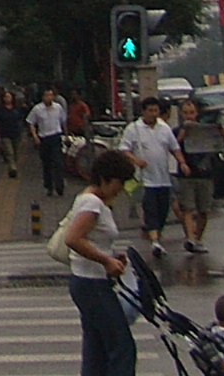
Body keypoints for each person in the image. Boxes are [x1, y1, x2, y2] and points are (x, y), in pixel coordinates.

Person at [63, 149, 137, 376]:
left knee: (96, 348)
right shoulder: (92, 204)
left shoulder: (90, 200)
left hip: (88, 283)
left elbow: (92, 239)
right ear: (105, 179)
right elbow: (73, 239)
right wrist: (106, 261)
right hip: (92, 284)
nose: (122, 189)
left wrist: (111, 257)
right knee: (122, 347)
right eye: (119, 182)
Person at [119, 97, 183, 257]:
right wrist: (136, 160)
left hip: (163, 178)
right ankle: (155, 242)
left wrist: (182, 163)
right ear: (144, 111)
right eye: (151, 111)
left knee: (163, 211)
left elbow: (174, 147)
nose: (154, 114)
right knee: (151, 210)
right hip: (145, 180)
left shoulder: (164, 128)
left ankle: (154, 234)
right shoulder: (134, 129)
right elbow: (124, 149)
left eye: (156, 111)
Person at [172, 99, 223, 254]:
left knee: (204, 209)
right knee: (187, 208)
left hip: (205, 173)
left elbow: (219, 143)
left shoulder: (204, 129)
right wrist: (183, 135)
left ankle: (198, 238)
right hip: (187, 175)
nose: (189, 116)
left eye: (192, 113)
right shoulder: (177, 130)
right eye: (186, 113)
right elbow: (174, 146)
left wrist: (220, 132)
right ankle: (190, 239)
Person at [30, 86, 70, 197]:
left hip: (56, 137)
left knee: (58, 162)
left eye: (51, 95)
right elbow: (31, 123)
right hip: (44, 138)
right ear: (43, 97)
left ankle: (59, 185)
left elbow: (63, 121)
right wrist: (35, 136)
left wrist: (66, 135)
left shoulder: (58, 108)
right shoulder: (37, 109)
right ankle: (48, 186)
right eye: (47, 95)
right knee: (46, 163)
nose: (49, 97)